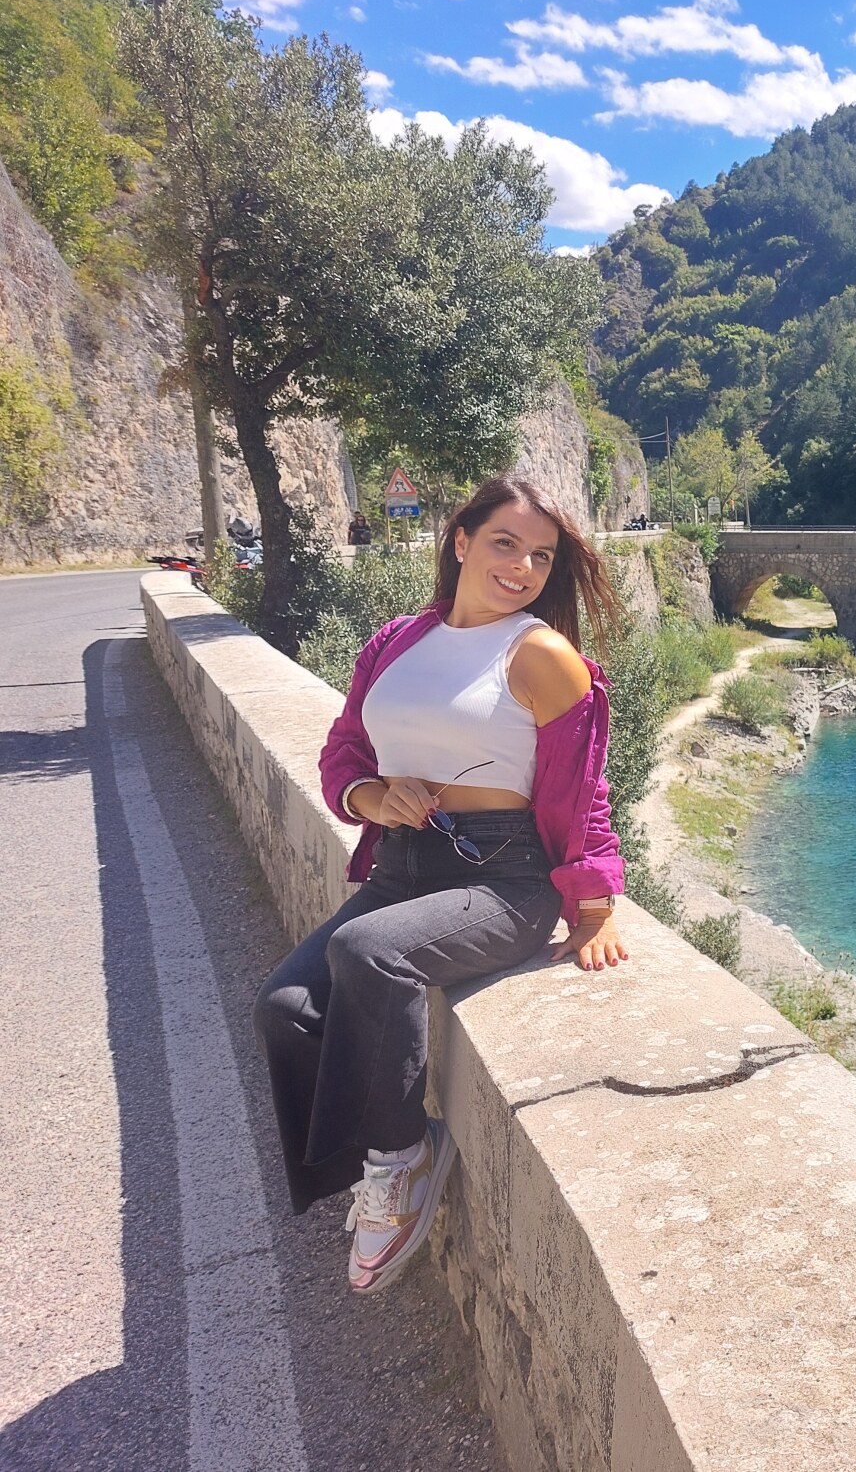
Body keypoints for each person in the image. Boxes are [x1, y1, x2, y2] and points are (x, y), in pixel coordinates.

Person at [255, 475, 629, 1294]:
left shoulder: (541, 654)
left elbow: (583, 789)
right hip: (403, 865)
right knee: (283, 1010)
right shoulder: (396, 641)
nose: (523, 567)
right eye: (505, 543)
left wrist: (594, 904)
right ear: (460, 540)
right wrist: (372, 796)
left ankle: (403, 1159)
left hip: (505, 882)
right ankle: (364, 1162)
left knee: (370, 952)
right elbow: (344, 751)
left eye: (540, 555)